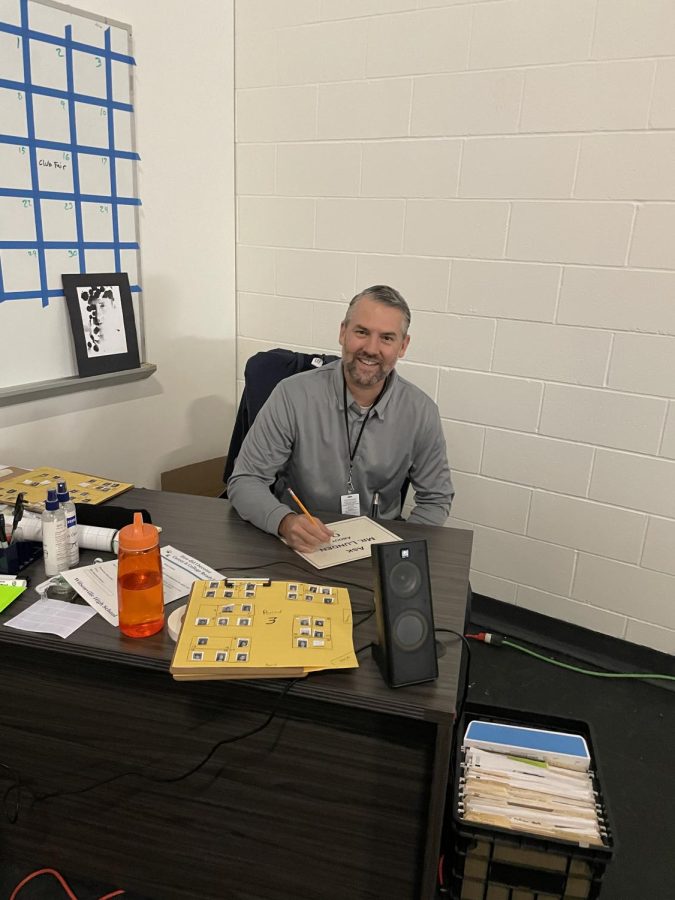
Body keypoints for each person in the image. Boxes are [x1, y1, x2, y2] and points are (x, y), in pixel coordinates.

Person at [227, 285, 454, 552]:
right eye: (361, 332)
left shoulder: (420, 411)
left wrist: (401, 553)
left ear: (402, 346)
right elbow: (245, 480)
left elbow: (436, 498)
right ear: (343, 332)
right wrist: (284, 521)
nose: (371, 348)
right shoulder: (292, 394)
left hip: (376, 546)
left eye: (387, 338)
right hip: (298, 545)